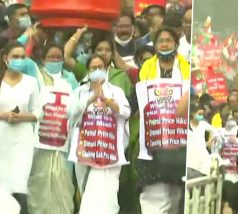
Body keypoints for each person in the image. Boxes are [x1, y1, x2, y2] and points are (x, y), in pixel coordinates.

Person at [67, 55, 131, 214]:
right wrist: (90, 99)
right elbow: (71, 114)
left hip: (109, 150)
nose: (97, 71)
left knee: (105, 194)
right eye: (93, 68)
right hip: (85, 150)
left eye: (101, 67)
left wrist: (109, 102)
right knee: (86, 190)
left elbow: (126, 112)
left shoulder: (116, 91)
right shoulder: (79, 91)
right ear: (88, 71)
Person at [137, 27, 190, 214]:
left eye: (169, 40)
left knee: (175, 198)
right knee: (154, 197)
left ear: (176, 43)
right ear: (155, 44)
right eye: (161, 41)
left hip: (178, 142)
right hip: (154, 140)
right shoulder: (147, 67)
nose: (165, 44)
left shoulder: (187, 67)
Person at [27, 44, 76, 214]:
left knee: (63, 187)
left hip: (63, 144)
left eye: (59, 57)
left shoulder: (71, 80)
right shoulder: (37, 76)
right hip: (39, 143)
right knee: (39, 186)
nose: (56, 60)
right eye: (51, 57)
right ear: (43, 59)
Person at [0, 42, 41, 214]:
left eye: (22, 57)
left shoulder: (31, 82)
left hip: (23, 139)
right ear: (5, 58)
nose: (19, 60)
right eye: (15, 56)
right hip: (2, 136)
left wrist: (22, 117)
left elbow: (38, 111)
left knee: (19, 182)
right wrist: (3, 115)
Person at [64, 26, 133, 98]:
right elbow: (66, 57)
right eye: (99, 50)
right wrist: (79, 33)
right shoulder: (85, 72)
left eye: (108, 50)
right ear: (93, 52)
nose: (104, 53)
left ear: (112, 54)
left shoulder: (120, 75)